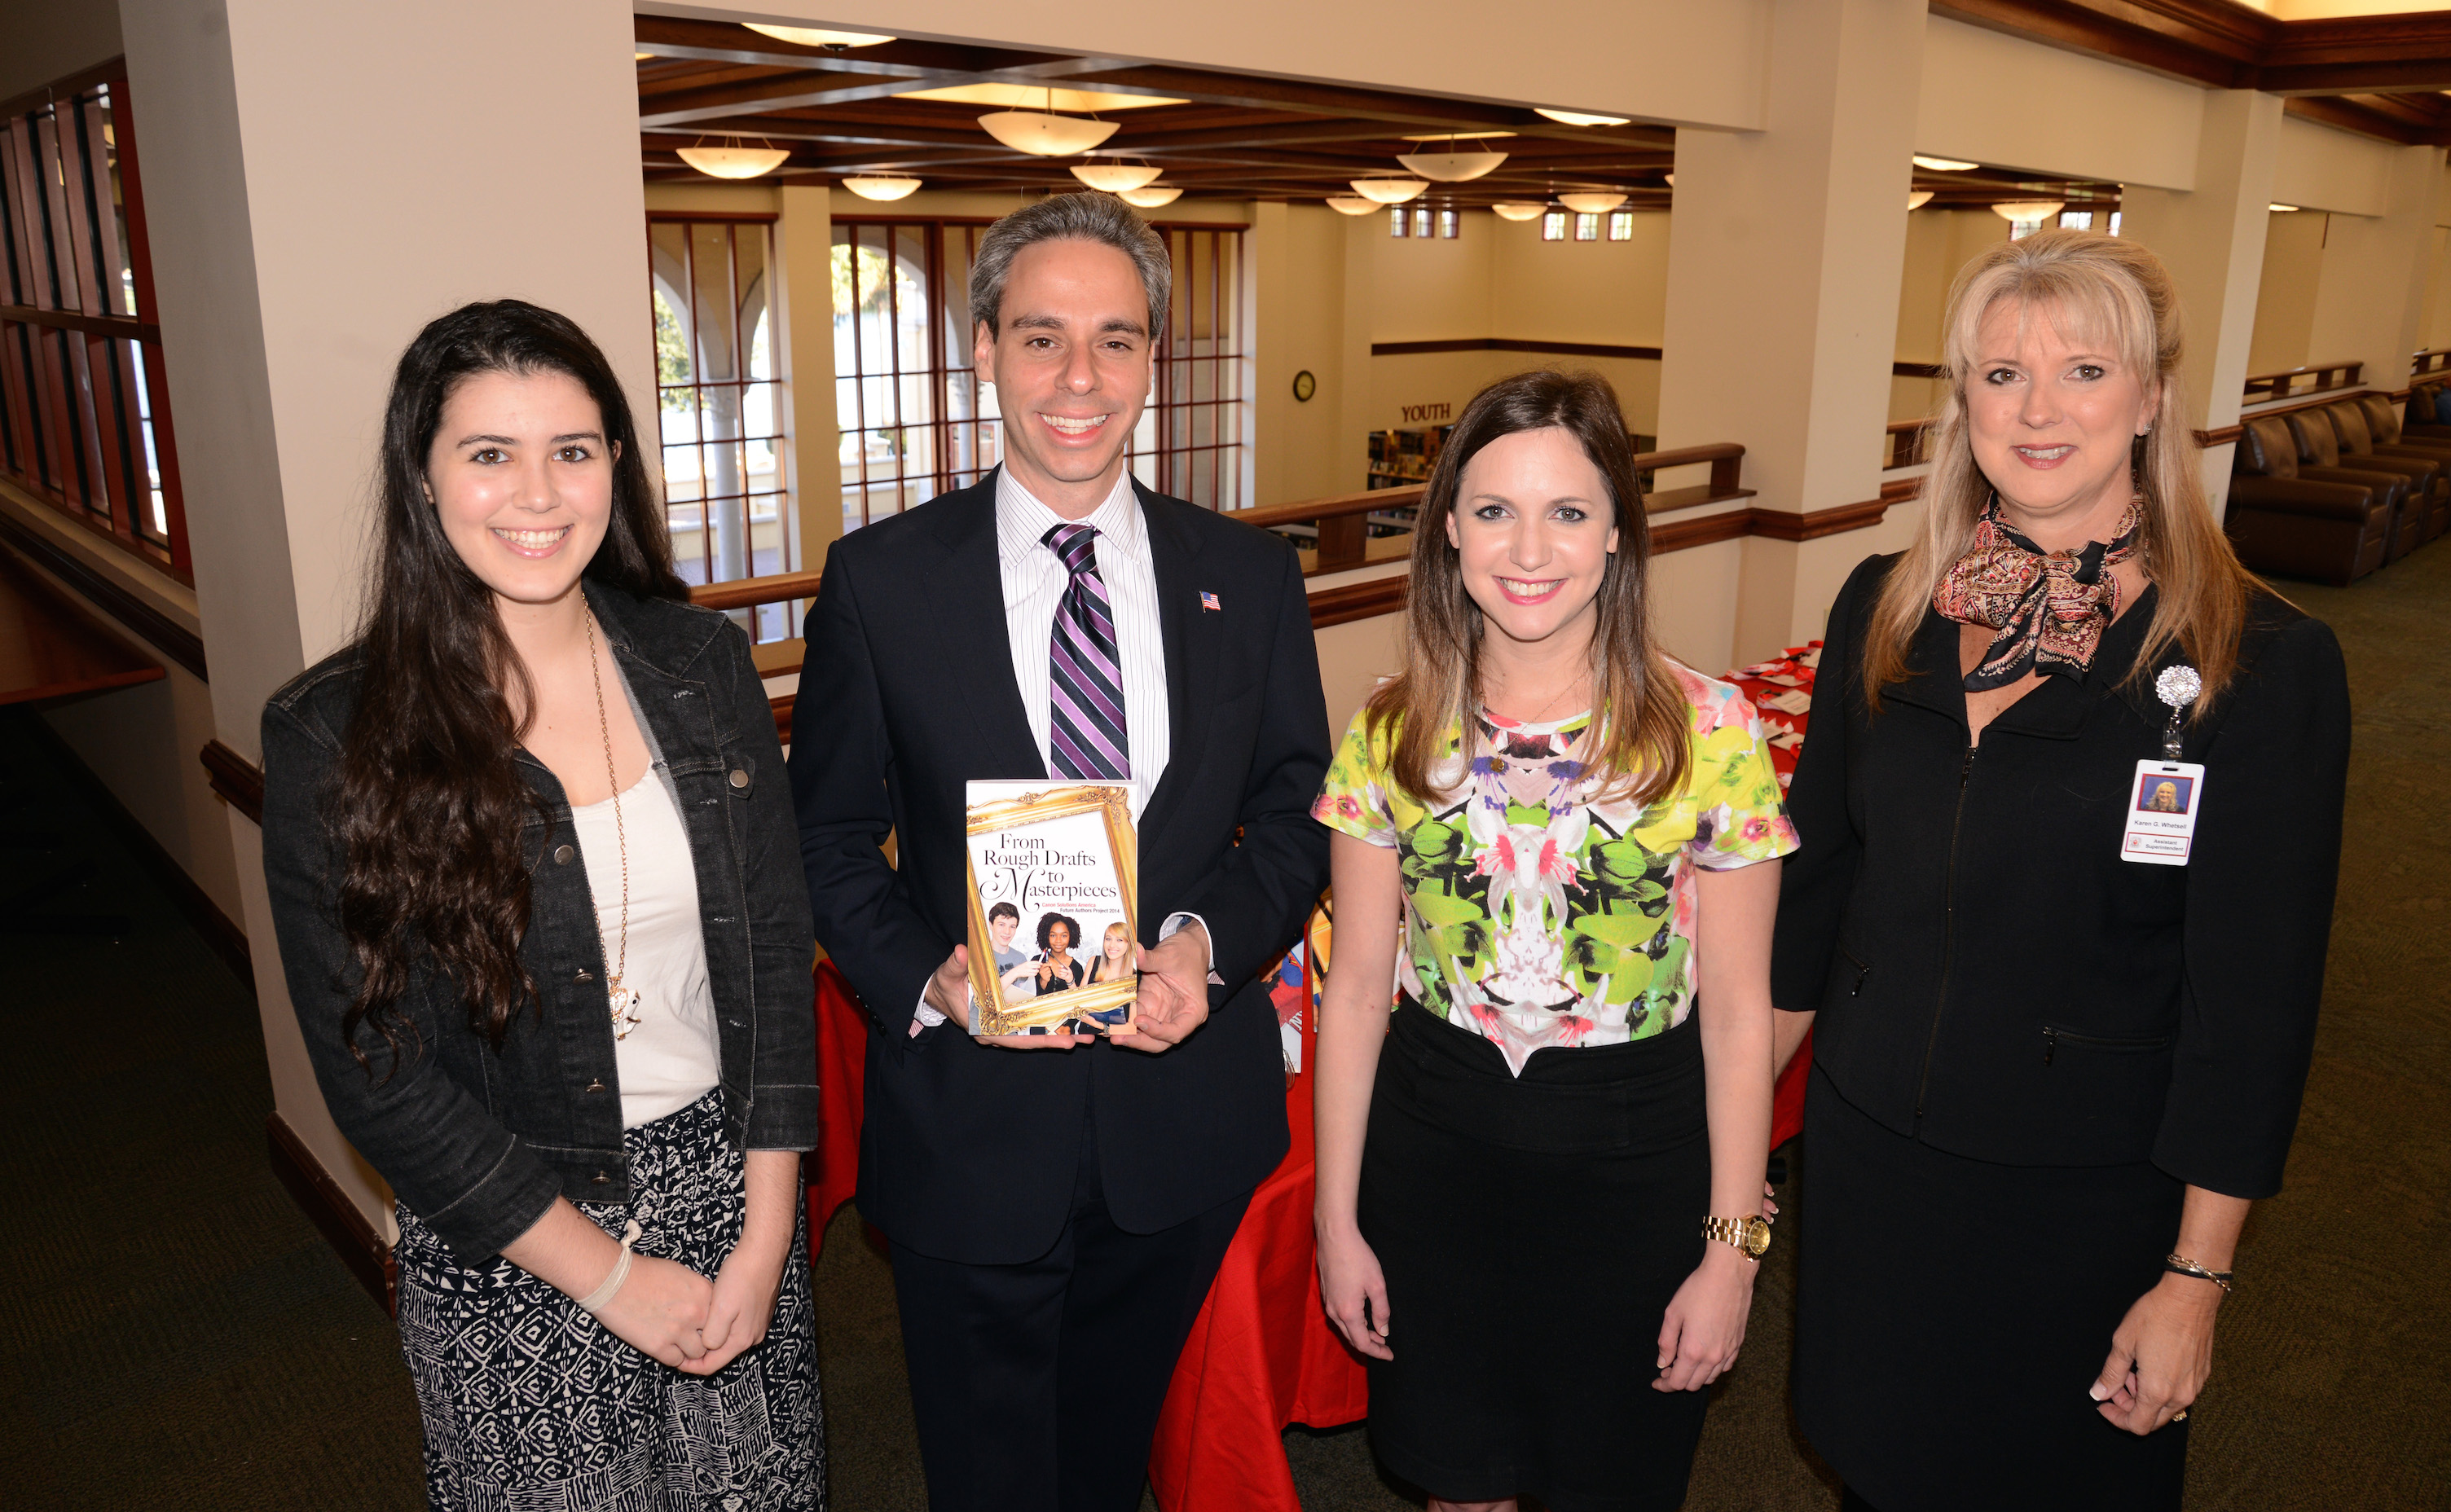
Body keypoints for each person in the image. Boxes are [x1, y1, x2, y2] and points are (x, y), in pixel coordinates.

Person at [1771, 230, 2351, 1512]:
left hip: (2081, 1203)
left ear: (2149, 399)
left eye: (2083, 371)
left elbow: (2251, 1014)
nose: (2037, 410)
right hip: (1872, 1167)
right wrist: (1713, 1165)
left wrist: (2195, 1281)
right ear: (1961, 400)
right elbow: (1810, 904)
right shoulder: (1883, 603)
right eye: (2000, 374)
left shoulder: (2258, 661)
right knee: (1872, 1467)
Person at [789, 192, 1331, 1512]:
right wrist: (934, 979)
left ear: (1155, 357)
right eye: (1039, 339)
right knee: (985, 1481)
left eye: (1114, 340)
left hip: (1179, 1135)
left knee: (1107, 1461)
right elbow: (827, 836)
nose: (1077, 379)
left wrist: (1205, 950)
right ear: (981, 349)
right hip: (971, 1137)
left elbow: (1300, 798)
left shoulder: (1247, 577)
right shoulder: (881, 580)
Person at [258, 301, 823, 1509]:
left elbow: (776, 956)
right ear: (423, 477)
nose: (538, 493)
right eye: (488, 454)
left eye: (572, 450)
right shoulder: (333, 732)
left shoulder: (702, 666)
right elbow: (377, 1068)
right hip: (512, 1228)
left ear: (615, 464)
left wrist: (769, 1233)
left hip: (729, 1195)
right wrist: (611, 1278)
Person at [1311, 370, 1795, 1512]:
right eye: (1493, 510)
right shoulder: (1389, 728)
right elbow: (1358, 992)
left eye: (1568, 512)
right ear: (1447, 532)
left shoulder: (1711, 730)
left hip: (1636, 1163)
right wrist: (1337, 1222)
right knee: (1458, 1487)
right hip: (1434, 1157)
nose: (1529, 547)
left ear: (1619, 534)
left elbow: (1735, 1017)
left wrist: (1733, 1251)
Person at [987, 900, 1037, 996]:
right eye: (1001, 925)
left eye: (1012, 927)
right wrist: (1016, 972)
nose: (1007, 932)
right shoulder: (979, 955)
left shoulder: (1020, 958)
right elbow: (987, 994)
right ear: (990, 925)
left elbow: (1025, 995)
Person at [1034, 912, 1087, 992]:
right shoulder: (1037, 962)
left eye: (1064, 936)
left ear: (1071, 937)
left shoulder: (1077, 968)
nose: (1058, 941)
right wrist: (1043, 981)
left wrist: (1071, 982)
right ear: (1046, 936)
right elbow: (1029, 997)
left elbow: (1079, 999)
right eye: (1053, 935)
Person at [1088, 920, 1136, 984]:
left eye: (1119, 940)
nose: (1112, 945)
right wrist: (1071, 981)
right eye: (1108, 939)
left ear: (1129, 944)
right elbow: (1079, 993)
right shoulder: (1094, 961)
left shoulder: (1135, 978)